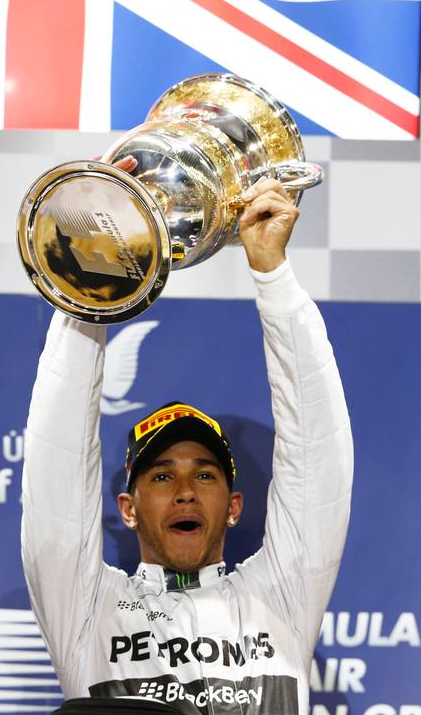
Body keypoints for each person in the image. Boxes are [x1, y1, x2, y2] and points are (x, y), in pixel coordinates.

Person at [22, 165, 353, 715]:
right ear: (128, 508)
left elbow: (316, 453)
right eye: (161, 475)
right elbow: (58, 458)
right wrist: (92, 278)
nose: (185, 491)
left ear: (233, 506)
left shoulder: (279, 595)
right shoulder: (88, 609)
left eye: (204, 473)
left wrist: (272, 274)